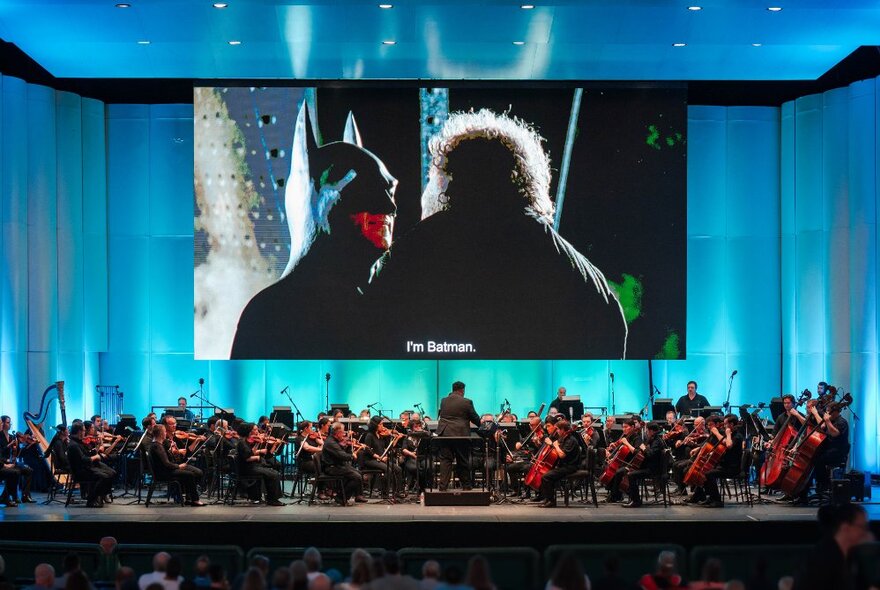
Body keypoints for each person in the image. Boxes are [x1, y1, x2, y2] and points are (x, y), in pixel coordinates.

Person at [365, 109, 628, 359]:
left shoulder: (417, 250)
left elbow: (373, 328)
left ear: (448, 179)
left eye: (434, 177)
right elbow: (611, 332)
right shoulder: (580, 272)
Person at [231, 106, 398, 359]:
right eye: (365, 190)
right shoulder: (271, 312)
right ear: (315, 197)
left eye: (389, 191)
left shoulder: (372, 310)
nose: (390, 206)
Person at [435, 381, 481, 491]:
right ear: (462, 390)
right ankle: (466, 486)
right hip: (460, 434)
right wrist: (481, 424)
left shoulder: (443, 401)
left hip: (445, 434)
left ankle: (443, 487)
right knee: (462, 460)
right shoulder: (467, 402)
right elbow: (474, 417)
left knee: (445, 460)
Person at [149, 425, 205, 506]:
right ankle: (195, 500)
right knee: (190, 474)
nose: (166, 433)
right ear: (161, 434)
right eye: (164, 432)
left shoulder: (157, 445)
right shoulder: (157, 446)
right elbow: (166, 464)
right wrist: (179, 466)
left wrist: (172, 451)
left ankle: (191, 498)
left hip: (164, 470)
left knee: (191, 473)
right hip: (163, 473)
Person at [233, 423, 284, 506]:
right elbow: (247, 458)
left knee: (271, 471)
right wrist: (257, 458)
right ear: (249, 432)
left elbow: (251, 452)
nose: (257, 431)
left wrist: (258, 443)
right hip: (247, 468)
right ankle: (272, 499)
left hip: (250, 466)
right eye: (255, 429)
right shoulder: (242, 443)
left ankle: (270, 497)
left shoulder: (245, 441)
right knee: (274, 474)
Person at [67, 423, 116, 507]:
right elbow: (83, 460)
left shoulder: (78, 442)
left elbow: (86, 453)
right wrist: (95, 457)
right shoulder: (74, 445)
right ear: (79, 432)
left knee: (111, 473)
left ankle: (99, 496)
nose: (84, 432)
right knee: (104, 476)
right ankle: (92, 500)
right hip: (81, 472)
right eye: (83, 430)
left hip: (86, 467)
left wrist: (95, 451)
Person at [700, 414, 744, 508]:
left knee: (709, 474)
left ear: (731, 424)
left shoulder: (738, 436)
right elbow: (722, 443)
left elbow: (728, 445)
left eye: (725, 424)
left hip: (732, 468)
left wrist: (727, 434)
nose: (724, 426)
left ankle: (717, 501)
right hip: (723, 465)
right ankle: (711, 497)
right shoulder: (729, 434)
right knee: (704, 471)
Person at [321, 422, 368, 505]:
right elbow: (341, 455)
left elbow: (341, 452)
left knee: (359, 473)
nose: (344, 434)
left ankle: (358, 495)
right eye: (343, 432)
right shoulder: (331, 442)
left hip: (338, 465)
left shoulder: (334, 440)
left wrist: (347, 447)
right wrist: (351, 456)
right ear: (337, 432)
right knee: (356, 477)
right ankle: (341, 497)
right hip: (331, 468)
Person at [538, 420, 581, 508]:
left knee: (546, 477)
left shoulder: (571, 440)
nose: (556, 431)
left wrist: (556, 445)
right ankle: (548, 498)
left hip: (571, 467)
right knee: (545, 474)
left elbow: (562, 455)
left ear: (563, 430)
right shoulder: (563, 438)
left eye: (558, 429)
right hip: (564, 465)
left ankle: (551, 501)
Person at [622, 422, 666, 508]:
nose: (646, 432)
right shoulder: (653, 439)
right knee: (629, 471)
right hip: (650, 466)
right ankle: (632, 497)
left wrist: (644, 448)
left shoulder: (657, 441)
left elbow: (650, 455)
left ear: (652, 431)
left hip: (653, 470)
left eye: (647, 430)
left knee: (631, 475)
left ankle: (636, 501)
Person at [0, 415, 35, 502]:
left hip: (11, 461)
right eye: (8, 422)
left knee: (29, 470)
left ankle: (25, 495)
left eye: (10, 422)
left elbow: (18, 453)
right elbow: (1, 451)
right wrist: (9, 446)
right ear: (3, 423)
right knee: (16, 472)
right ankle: (12, 496)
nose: (9, 424)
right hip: (4, 462)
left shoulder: (12, 436)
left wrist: (24, 445)